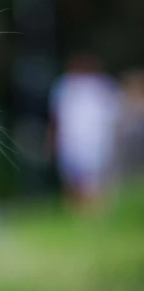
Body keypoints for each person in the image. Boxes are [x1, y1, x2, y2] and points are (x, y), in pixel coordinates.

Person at [48, 54, 120, 204]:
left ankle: (91, 208)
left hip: (94, 140)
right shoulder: (66, 86)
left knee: (92, 179)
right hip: (73, 140)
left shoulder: (102, 85)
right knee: (76, 179)